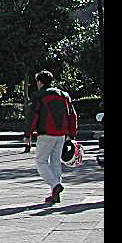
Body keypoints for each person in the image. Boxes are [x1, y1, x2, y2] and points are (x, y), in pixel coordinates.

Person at [24, 69, 78, 206]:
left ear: (40, 82)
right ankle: (55, 194)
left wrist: (28, 134)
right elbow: (72, 115)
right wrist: (72, 134)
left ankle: (55, 185)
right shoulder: (64, 95)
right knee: (55, 162)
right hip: (61, 134)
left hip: (46, 133)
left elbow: (33, 116)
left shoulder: (39, 96)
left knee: (41, 161)